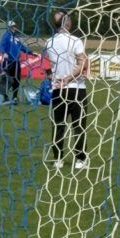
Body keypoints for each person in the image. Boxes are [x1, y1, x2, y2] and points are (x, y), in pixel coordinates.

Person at [44, 11, 89, 170]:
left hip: (58, 90)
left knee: (58, 125)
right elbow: (82, 63)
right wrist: (68, 78)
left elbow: (46, 65)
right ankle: (80, 159)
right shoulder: (76, 40)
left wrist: (54, 78)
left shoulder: (49, 42)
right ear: (68, 23)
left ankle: (58, 159)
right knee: (79, 126)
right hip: (76, 88)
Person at [0, 20, 35, 104]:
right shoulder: (6, 36)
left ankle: (14, 97)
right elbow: (1, 45)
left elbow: (22, 47)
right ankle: (4, 97)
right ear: (9, 27)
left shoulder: (17, 37)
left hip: (16, 62)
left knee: (17, 80)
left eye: (14, 26)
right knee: (7, 79)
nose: (14, 28)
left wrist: (31, 52)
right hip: (8, 61)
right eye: (12, 26)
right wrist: (4, 53)